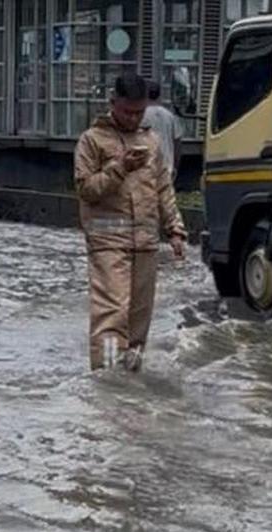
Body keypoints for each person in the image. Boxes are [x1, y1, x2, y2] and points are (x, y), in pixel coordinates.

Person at [75, 72, 187, 372]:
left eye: (139, 112)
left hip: (145, 243)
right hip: (107, 243)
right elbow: (87, 189)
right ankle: (109, 378)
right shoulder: (92, 141)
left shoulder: (150, 142)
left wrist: (175, 229)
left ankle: (130, 382)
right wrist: (120, 167)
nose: (133, 119)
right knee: (112, 315)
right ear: (113, 103)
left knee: (139, 319)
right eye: (127, 112)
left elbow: (163, 188)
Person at [141, 80, 183, 186]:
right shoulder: (170, 116)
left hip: (145, 169)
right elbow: (177, 143)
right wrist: (175, 165)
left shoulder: (139, 115)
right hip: (166, 168)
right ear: (159, 95)